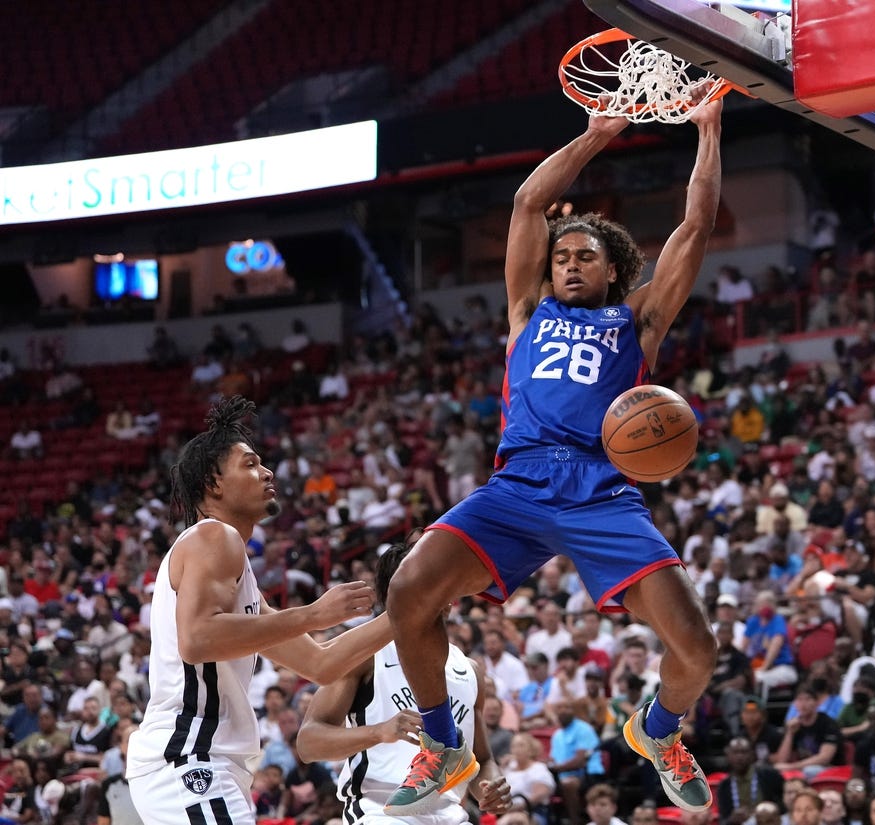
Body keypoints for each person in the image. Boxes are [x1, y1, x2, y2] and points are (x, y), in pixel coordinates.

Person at [382, 89, 724, 815]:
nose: (568, 264)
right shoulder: (524, 312)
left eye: (585, 256)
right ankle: (444, 741)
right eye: (563, 256)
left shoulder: (639, 319)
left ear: (611, 271)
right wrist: (596, 136)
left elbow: (695, 225)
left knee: (696, 646)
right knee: (411, 588)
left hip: (603, 489)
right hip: (521, 483)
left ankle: (658, 731)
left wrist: (708, 128)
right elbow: (528, 206)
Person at [125, 397, 392, 825]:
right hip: (190, 757)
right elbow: (197, 641)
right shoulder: (213, 537)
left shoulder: (236, 570)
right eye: (249, 465)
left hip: (205, 764)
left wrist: (406, 615)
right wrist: (314, 614)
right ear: (213, 484)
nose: (267, 472)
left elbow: (322, 665)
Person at [295, 543, 511, 825]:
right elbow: (308, 743)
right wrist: (378, 732)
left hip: (451, 815)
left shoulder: (470, 670)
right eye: (428, 581)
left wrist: (490, 786)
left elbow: (481, 759)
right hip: (379, 811)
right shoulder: (367, 657)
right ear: (395, 595)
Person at [716, 737, 784, 825]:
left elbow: (783, 808)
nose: (739, 757)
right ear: (728, 756)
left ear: (752, 755)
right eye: (735, 752)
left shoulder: (769, 775)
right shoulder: (724, 786)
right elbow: (722, 821)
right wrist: (732, 819)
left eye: (743, 752)